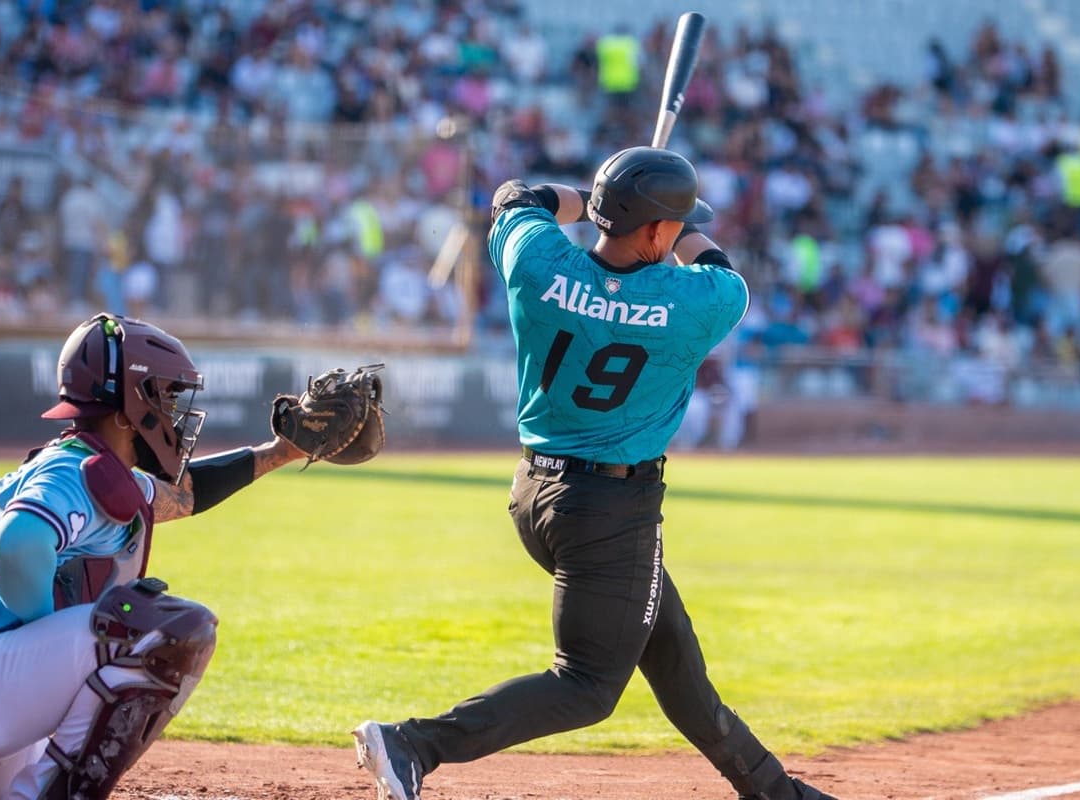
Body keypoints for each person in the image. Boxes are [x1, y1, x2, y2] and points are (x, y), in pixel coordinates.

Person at [352, 147, 837, 800]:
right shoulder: (696, 300)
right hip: (612, 511)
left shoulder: (536, 260)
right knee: (587, 684)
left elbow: (515, 197)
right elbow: (719, 267)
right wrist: (672, 224)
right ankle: (414, 743)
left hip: (537, 495)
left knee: (678, 671)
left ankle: (779, 794)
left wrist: (597, 199)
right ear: (659, 231)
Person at [0, 313, 306, 799]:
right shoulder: (75, 472)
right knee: (165, 630)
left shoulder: (89, 465)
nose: (175, 412)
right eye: (167, 396)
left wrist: (282, 451)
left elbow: (187, 494)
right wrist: (42, 627)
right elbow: (18, 544)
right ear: (129, 406)